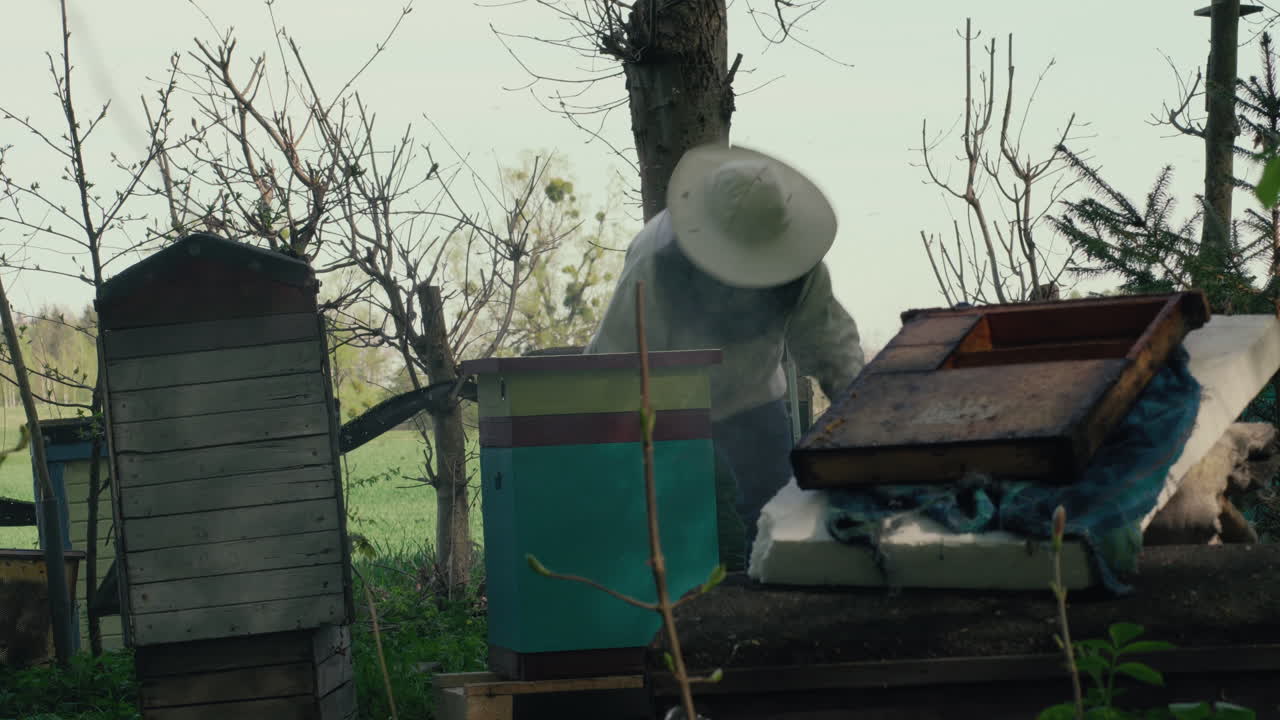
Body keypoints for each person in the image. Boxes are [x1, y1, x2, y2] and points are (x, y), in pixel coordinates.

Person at [583, 143, 866, 568]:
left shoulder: (800, 263)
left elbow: (830, 343)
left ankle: (773, 600)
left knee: (778, 521)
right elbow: (618, 356)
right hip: (666, 409)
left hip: (753, 399)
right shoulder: (654, 257)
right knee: (668, 531)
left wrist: (862, 420)